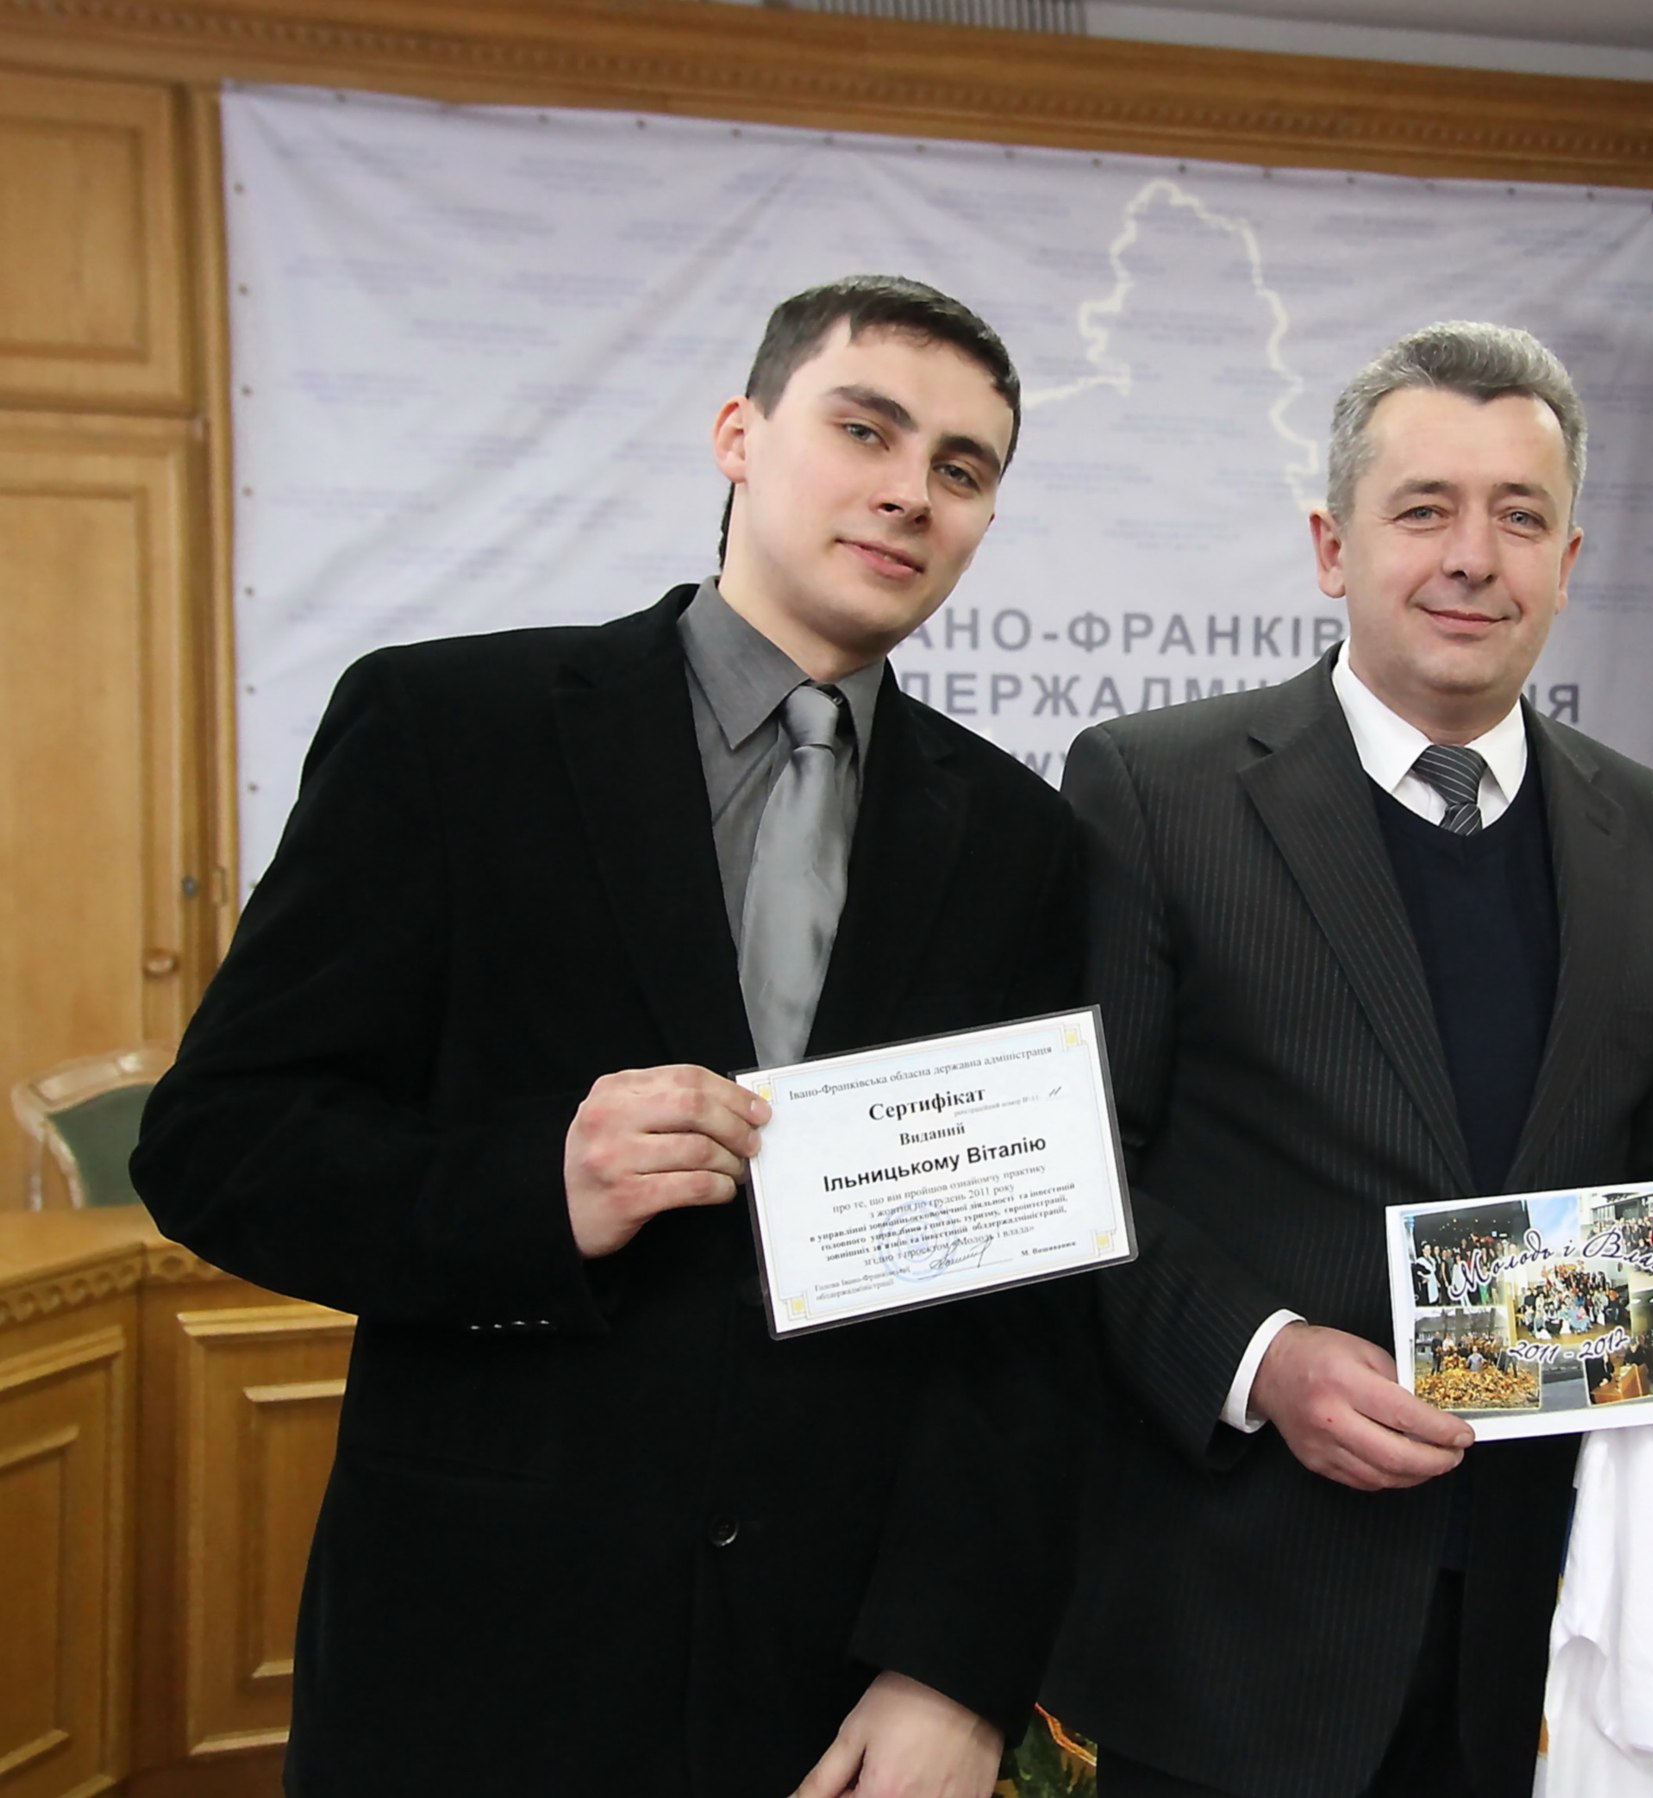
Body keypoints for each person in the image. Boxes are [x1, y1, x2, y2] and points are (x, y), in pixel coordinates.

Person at [133, 276, 1085, 1798]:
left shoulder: (1022, 841)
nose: (912, 490)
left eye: (963, 469)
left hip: (833, 1680)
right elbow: (217, 1142)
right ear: (739, 436)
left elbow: (1024, 1310)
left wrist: (955, 1670)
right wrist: (537, 1192)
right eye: (867, 430)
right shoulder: (450, 729)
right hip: (485, 1655)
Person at [1041, 320, 1653, 1798]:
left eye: (1521, 517)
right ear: (1334, 545)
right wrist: (1259, 1360)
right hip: (1241, 1620)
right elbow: (1074, 1177)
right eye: (1425, 509)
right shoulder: (1156, 792)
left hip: (1555, 1627)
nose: (1473, 558)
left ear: (1569, 561)